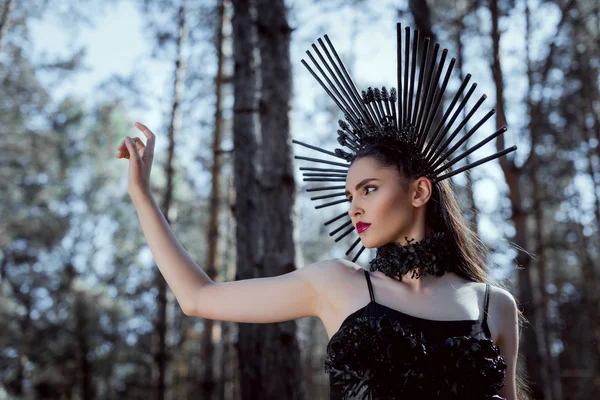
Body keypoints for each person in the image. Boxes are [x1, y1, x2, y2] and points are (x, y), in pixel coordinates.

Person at [116, 23, 522, 400]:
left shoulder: (493, 306)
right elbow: (197, 298)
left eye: (369, 189)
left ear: (419, 191)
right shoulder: (336, 284)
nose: (354, 207)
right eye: (349, 195)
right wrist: (141, 194)